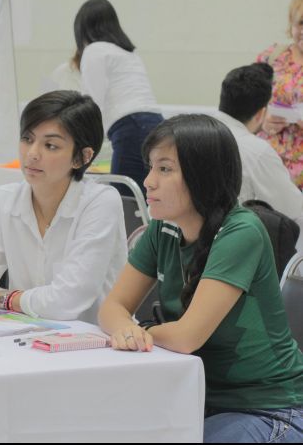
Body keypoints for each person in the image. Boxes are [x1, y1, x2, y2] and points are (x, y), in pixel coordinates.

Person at [98, 115, 303, 443]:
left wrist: (140, 332)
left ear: (203, 175)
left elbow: (186, 338)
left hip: (270, 408)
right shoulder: (162, 227)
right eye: (150, 167)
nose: (149, 181)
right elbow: (112, 307)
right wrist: (125, 328)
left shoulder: (241, 232)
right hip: (195, 400)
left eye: (164, 169)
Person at [0, 90, 127, 324]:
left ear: (82, 157)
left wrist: (3, 298)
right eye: (27, 139)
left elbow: (68, 301)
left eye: (50, 145)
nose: (32, 154)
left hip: (96, 344)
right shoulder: (2, 199)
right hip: (31, 339)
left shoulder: (100, 202)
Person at [73, 0, 162, 196]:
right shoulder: (128, 53)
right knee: (148, 197)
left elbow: (90, 105)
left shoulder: (94, 51)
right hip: (156, 124)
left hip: (130, 126)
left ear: (82, 29)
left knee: (124, 199)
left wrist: (82, 150)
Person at [215, 62, 303, 246]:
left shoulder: (190, 132)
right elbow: (294, 211)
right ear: (261, 113)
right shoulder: (256, 152)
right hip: (235, 248)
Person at [257, 0, 303, 188]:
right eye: (301, 23)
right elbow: (246, 105)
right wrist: (263, 120)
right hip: (270, 166)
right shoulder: (272, 57)